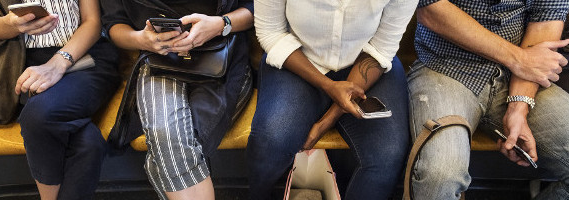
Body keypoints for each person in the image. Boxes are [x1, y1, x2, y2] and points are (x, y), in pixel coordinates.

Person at [247, 0, 417, 199]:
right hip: (297, 56)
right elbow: (271, 32)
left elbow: (384, 44)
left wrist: (326, 121)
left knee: (387, 154)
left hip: (369, 59)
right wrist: (328, 86)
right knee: (270, 139)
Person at [408, 0, 569, 199]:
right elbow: (430, 9)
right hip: (443, 68)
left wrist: (519, 107)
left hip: (518, 78)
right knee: (440, 175)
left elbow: (545, 28)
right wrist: (518, 59)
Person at [100, 0, 254, 199]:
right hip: (158, 59)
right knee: (164, 134)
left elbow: (256, 9)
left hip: (223, 59)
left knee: (165, 155)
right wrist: (141, 39)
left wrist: (220, 24)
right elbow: (114, 23)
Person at [0, 0, 121, 199]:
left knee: (39, 115)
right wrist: (12, 24)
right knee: (87, 144)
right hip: (23, 63)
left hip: (85, 55)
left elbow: (92, 22)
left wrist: (58, 63)